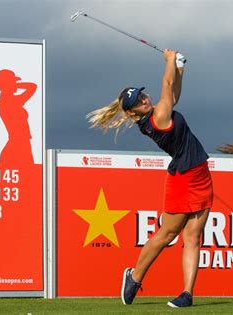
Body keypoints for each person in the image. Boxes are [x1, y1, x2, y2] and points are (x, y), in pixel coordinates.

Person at [86, 49, 213, 308]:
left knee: (193, 237)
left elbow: (173, 93)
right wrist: (168, 61)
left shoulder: (158, 111)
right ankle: (134, 276)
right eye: (139, 101)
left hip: (200, 173)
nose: (145, 99)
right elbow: (167, 86)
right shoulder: (157, 118)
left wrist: (179, 69)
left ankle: (187, 294)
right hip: (183, 179)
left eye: (142, 95)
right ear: (134, 112)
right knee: (168, 234)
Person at [0, 69, 37, 165]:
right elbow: (32, 87)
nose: (15, 84)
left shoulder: (8, 99)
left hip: (21, 142)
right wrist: (13, 85)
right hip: (19, 143)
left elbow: (32, 87)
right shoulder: (9, 101)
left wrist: (12, 85)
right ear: (7, 84)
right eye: (13, 82)